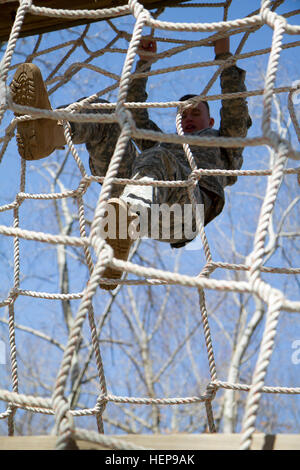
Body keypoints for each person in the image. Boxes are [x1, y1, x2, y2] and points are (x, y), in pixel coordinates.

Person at [10, 37, 251, 290]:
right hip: (141, 200)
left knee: (158, 158)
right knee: (111, 115)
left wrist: (224, 55)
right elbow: (134, 115)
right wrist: (144, 64)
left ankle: (124, 220)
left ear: (210, 121)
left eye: (195, 112)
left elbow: (235, 106)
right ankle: (52, 132)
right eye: (183, 113)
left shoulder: (222, 143)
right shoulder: (164, 143)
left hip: (186, 211)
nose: (188, 117)